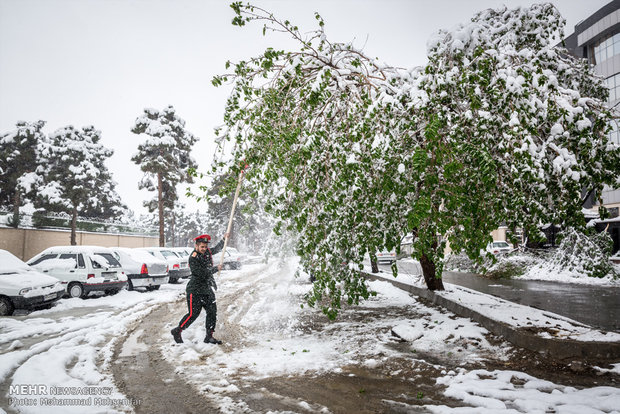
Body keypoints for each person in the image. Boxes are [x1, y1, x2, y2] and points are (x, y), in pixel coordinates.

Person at [170, 233, 228, 344]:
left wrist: (224, 239)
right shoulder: (193, 258)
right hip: (195, 290)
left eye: (205, 247)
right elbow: (201, 273)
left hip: (206, 288)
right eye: (202, 247)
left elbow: (216, 249)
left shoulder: (207, 252)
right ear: (196, 246)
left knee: (212, 312)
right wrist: (216, 269)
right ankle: (178, 330)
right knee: (193, 314)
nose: (204, 249)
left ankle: (209, 336)